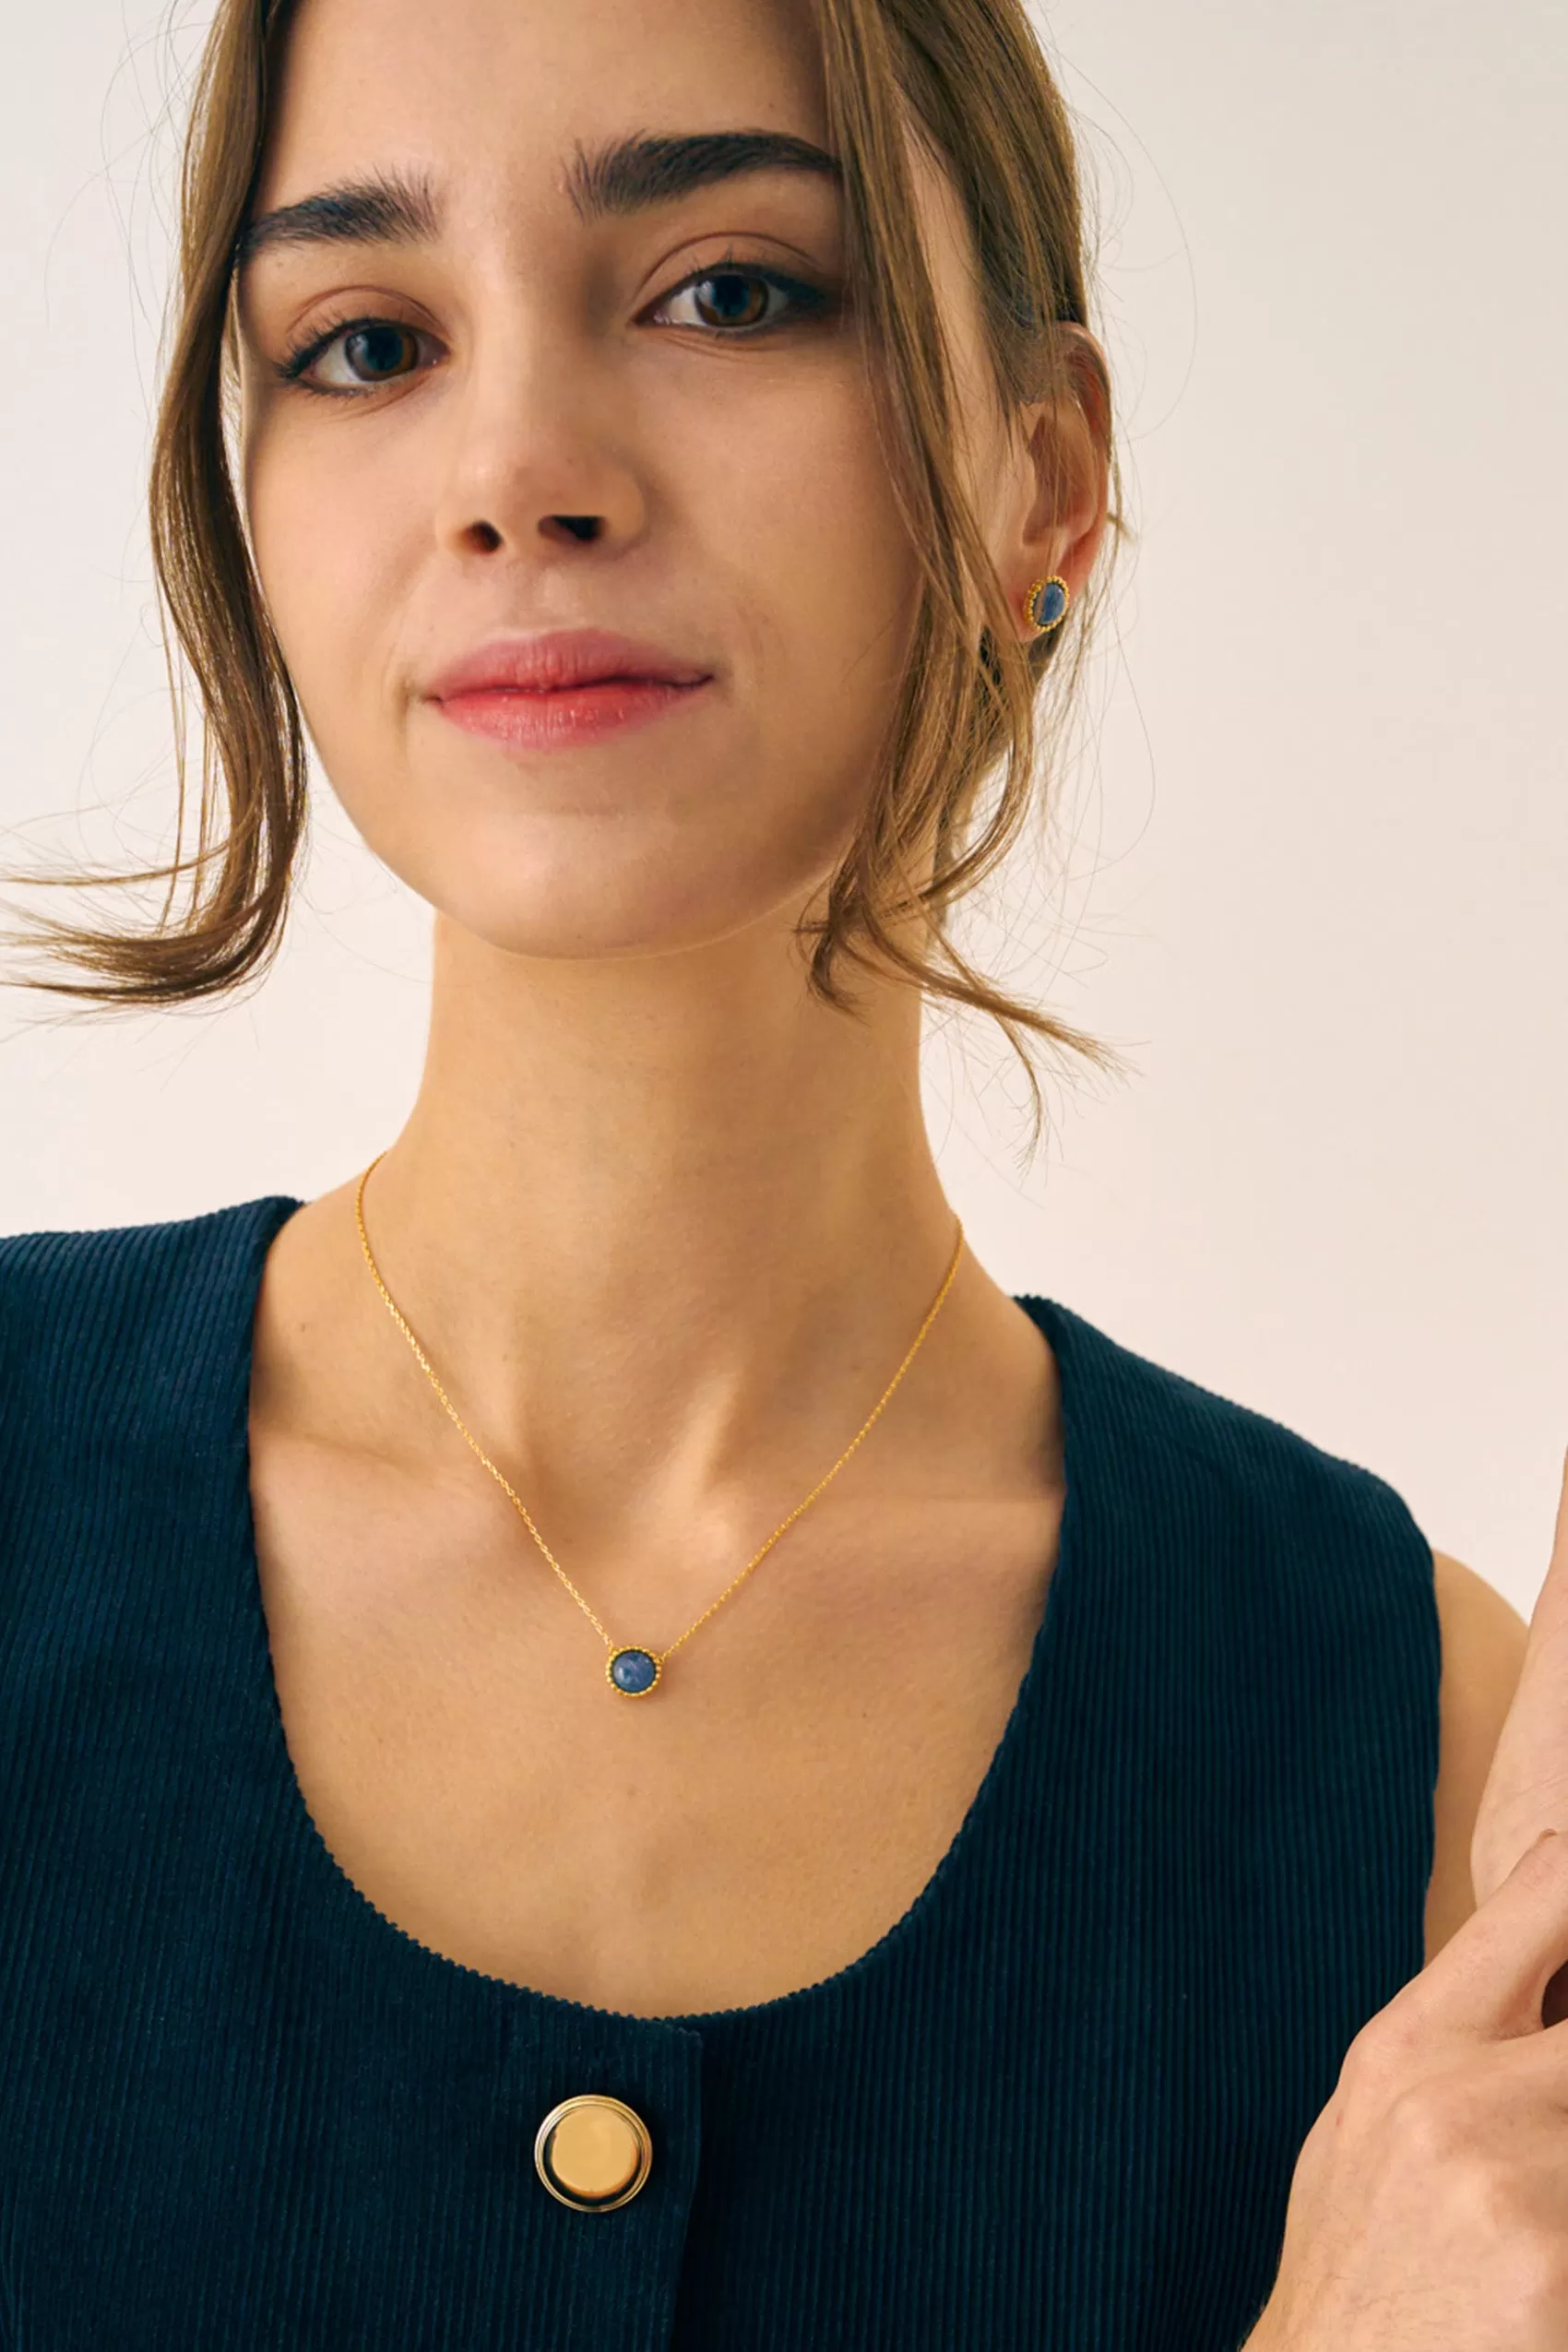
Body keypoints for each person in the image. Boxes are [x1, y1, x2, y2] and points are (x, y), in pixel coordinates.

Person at [0, 0, 1555, 2343]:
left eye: (730, 289)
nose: (520, 468)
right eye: (364, 338)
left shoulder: (1398, 1728)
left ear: (1043, 476)